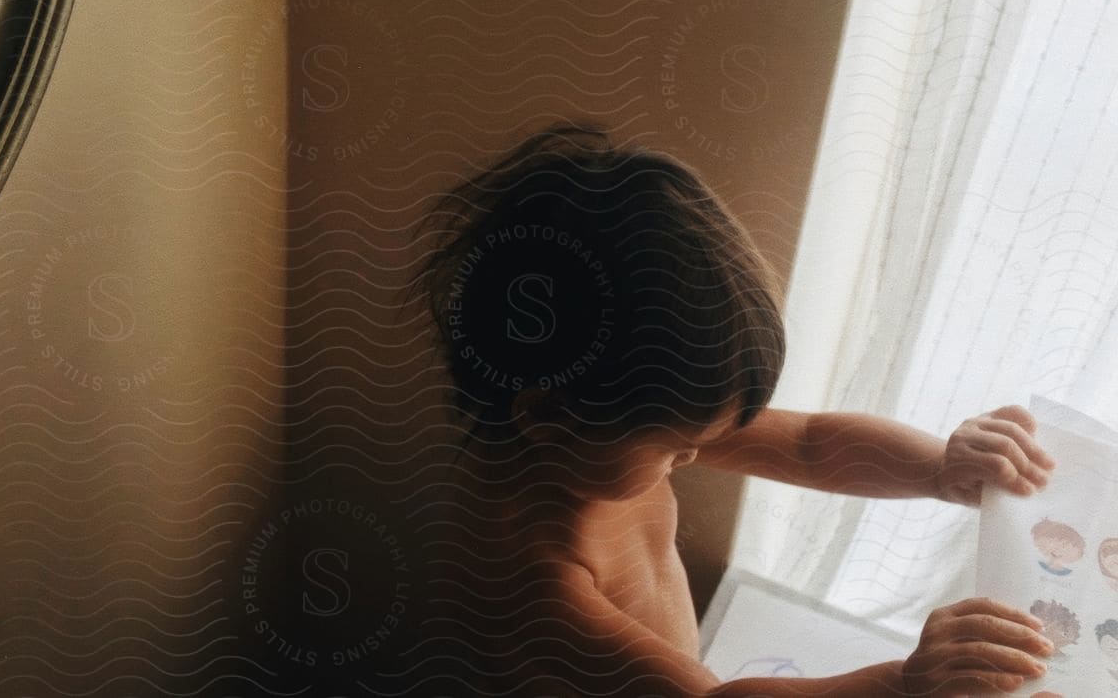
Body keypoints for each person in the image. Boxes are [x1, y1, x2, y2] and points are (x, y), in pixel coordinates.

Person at [421, 122, 1059, 695]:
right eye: (676, 447)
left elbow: (810, 443)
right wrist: (901, 682)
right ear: (549, 415)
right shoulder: (528, 573)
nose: (694, 457)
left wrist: (940, 469)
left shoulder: (600, 432)